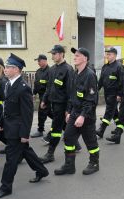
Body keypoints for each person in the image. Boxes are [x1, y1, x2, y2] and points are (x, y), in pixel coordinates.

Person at [0, 53, 49, 199]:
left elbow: (27, 114)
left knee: (11, 159)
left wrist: (24, 134)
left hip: (17, 130)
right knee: (25, 151)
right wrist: (1, 123)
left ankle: (5, 187)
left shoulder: (23, 88)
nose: (6, 69)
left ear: (16, 69)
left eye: (9, 67)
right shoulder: (9, 84)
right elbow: (7, 108)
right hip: (9, 126)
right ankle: (41, 171)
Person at [54, 47, 100, 175]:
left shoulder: (90, 75)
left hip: (86, 116)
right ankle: (69, 166)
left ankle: (94, 163)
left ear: (85, 58)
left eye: (78, 55)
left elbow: (91, 99)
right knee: (68, 137)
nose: (75, 57)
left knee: (90, 141)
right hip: (74, 113)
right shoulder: (75, 73)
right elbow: (72, 95)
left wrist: (83, 116)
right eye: (74, 55)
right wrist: (68, 111)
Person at [39, 45, 74, 163]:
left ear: (61, 54)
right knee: (62, 126)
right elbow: (49, 87)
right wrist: (44, 100)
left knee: (56, 129)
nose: (52, 56)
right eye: (52, 54)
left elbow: (70, 91)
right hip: (53, 103)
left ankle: (50, 154)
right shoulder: (52, 69)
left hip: (62, 105)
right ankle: (76, 145)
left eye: (54, 54)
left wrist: (68, 109)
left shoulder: (68, 69)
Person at [96, 47, 123, 138]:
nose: (107, 56)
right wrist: (97, 89)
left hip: (114, 94)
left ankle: (101, 130)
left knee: (109, 111)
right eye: (107, 54)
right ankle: (119, 128)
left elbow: (121, 82)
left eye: (109, 54)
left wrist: (119, 94)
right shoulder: (105, 66)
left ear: (115, 55)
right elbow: (101, 80)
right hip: (106, 93)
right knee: (114, 112)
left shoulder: (119, 66)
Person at [30, 54, 52, 138]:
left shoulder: (50, 71)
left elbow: (50, 86)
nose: (38, 63)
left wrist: (45, 98)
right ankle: (65, 126)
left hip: (48, 96)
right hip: (41, 95)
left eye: (39, 61)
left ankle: (40, 130)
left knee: (42, 113)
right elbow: (36, 84)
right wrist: (33, 93)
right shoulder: (38, 71)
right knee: (51, 114)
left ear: (44, 61)